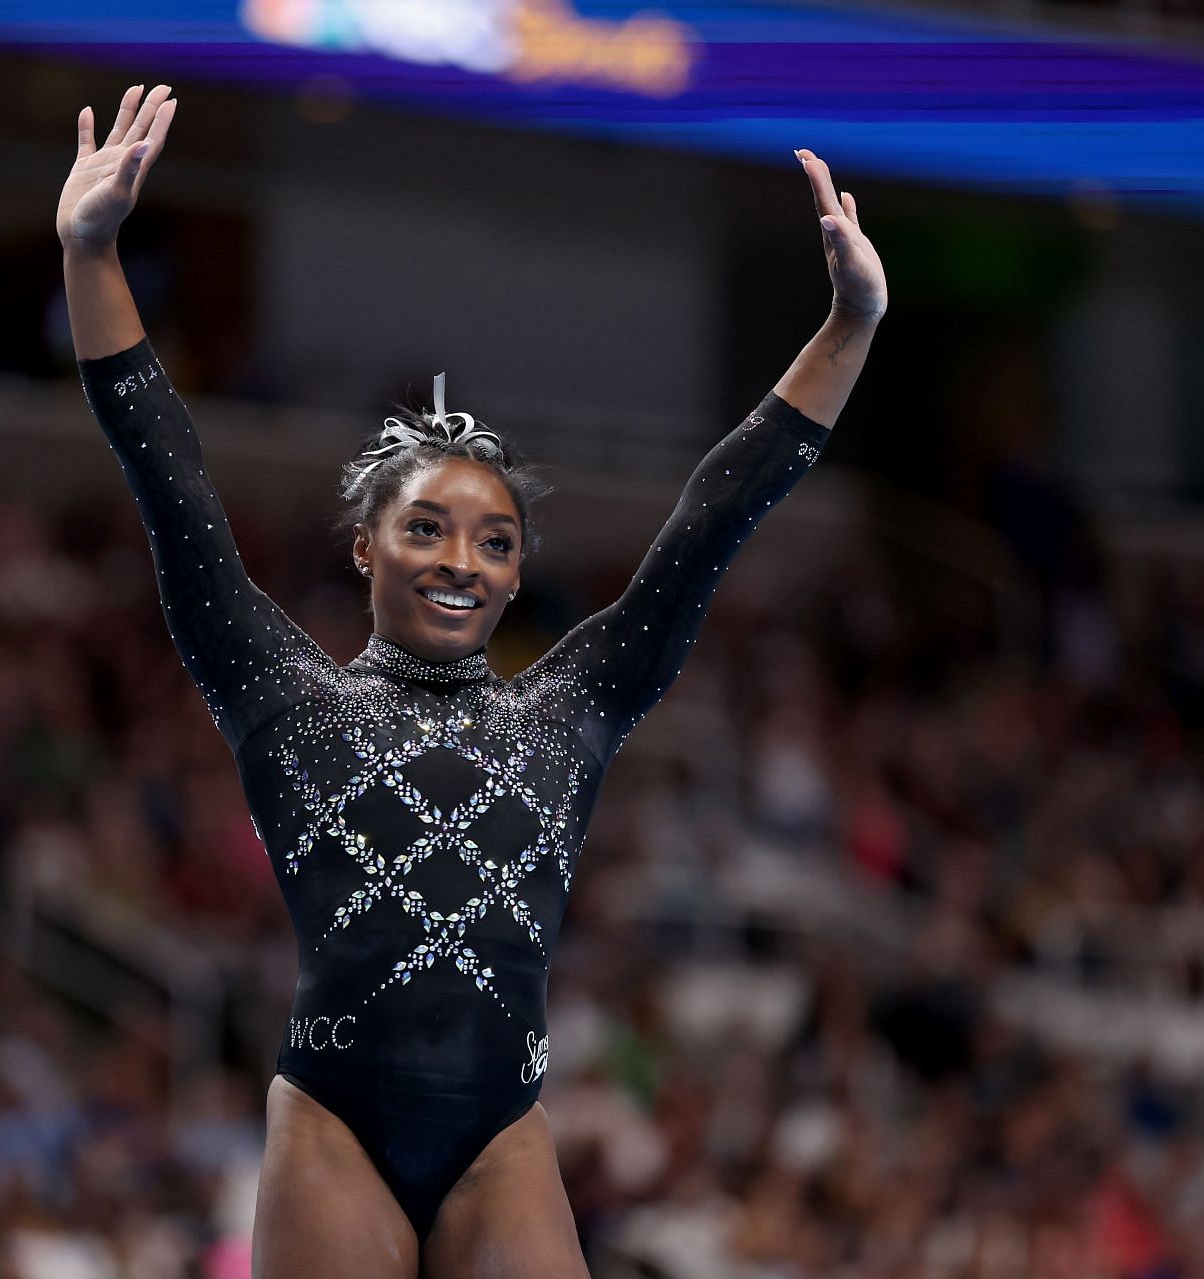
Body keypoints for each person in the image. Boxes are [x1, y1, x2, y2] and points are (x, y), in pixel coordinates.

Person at [58, 83, 887, 1279]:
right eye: (428, 529)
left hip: (501, 1132)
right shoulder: (293, 704)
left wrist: (847, 328)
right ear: (364, 546)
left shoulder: (571, 707)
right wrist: (92, 254)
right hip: (336, 1124)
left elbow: (717, 514)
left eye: (495, 541)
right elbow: (169, 479)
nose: (463, 561)